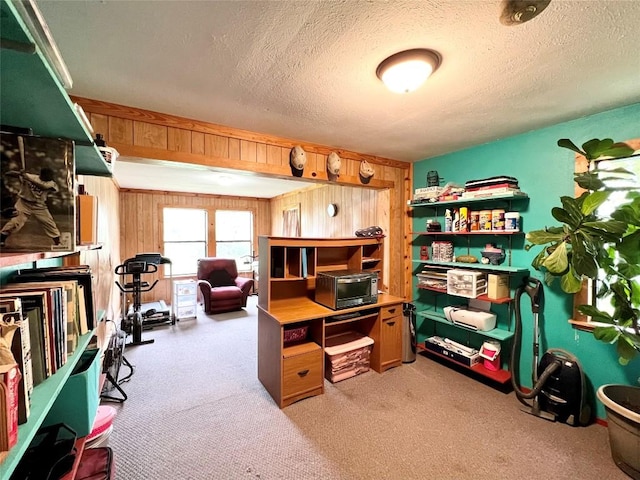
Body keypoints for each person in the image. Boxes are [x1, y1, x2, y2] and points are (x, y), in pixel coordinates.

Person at [0, 167, 61, 247]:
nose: (50, 177)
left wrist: (28, 178)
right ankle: (1, 239)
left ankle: (58, 243)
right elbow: (9, 173)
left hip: (39, 205)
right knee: (16, 222)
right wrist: (20, 173)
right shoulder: (31, 176)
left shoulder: (51, 183)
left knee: (48, 223)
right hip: (23, 203)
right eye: (48, 175)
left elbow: (43, 187)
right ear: (42, 174)